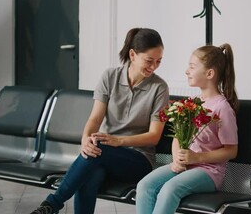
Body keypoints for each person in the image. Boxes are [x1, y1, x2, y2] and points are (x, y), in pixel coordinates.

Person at [30, 27, 169, 214]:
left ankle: (51, 205)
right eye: (149, 60)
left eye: (158, 61)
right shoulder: (110, 77)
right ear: (133, 54)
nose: (154, 67)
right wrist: (85, 140)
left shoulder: (159, 88)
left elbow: (153, 137)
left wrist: (118, 141)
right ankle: (49, 207)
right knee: (92, 172)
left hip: (139, 160)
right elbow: (95, 118)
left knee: (98, 151)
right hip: (102, 153)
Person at [136, 43, 239, 214]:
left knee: (170, 189)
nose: (186, 71)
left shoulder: (222, 108)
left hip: (208, 172)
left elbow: (231, 150)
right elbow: (177, 137)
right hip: (184, 166)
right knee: (145, 185)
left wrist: (196, 157)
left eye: (192, 66)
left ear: (209, 73)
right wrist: (177, 158)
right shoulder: (191, 103)